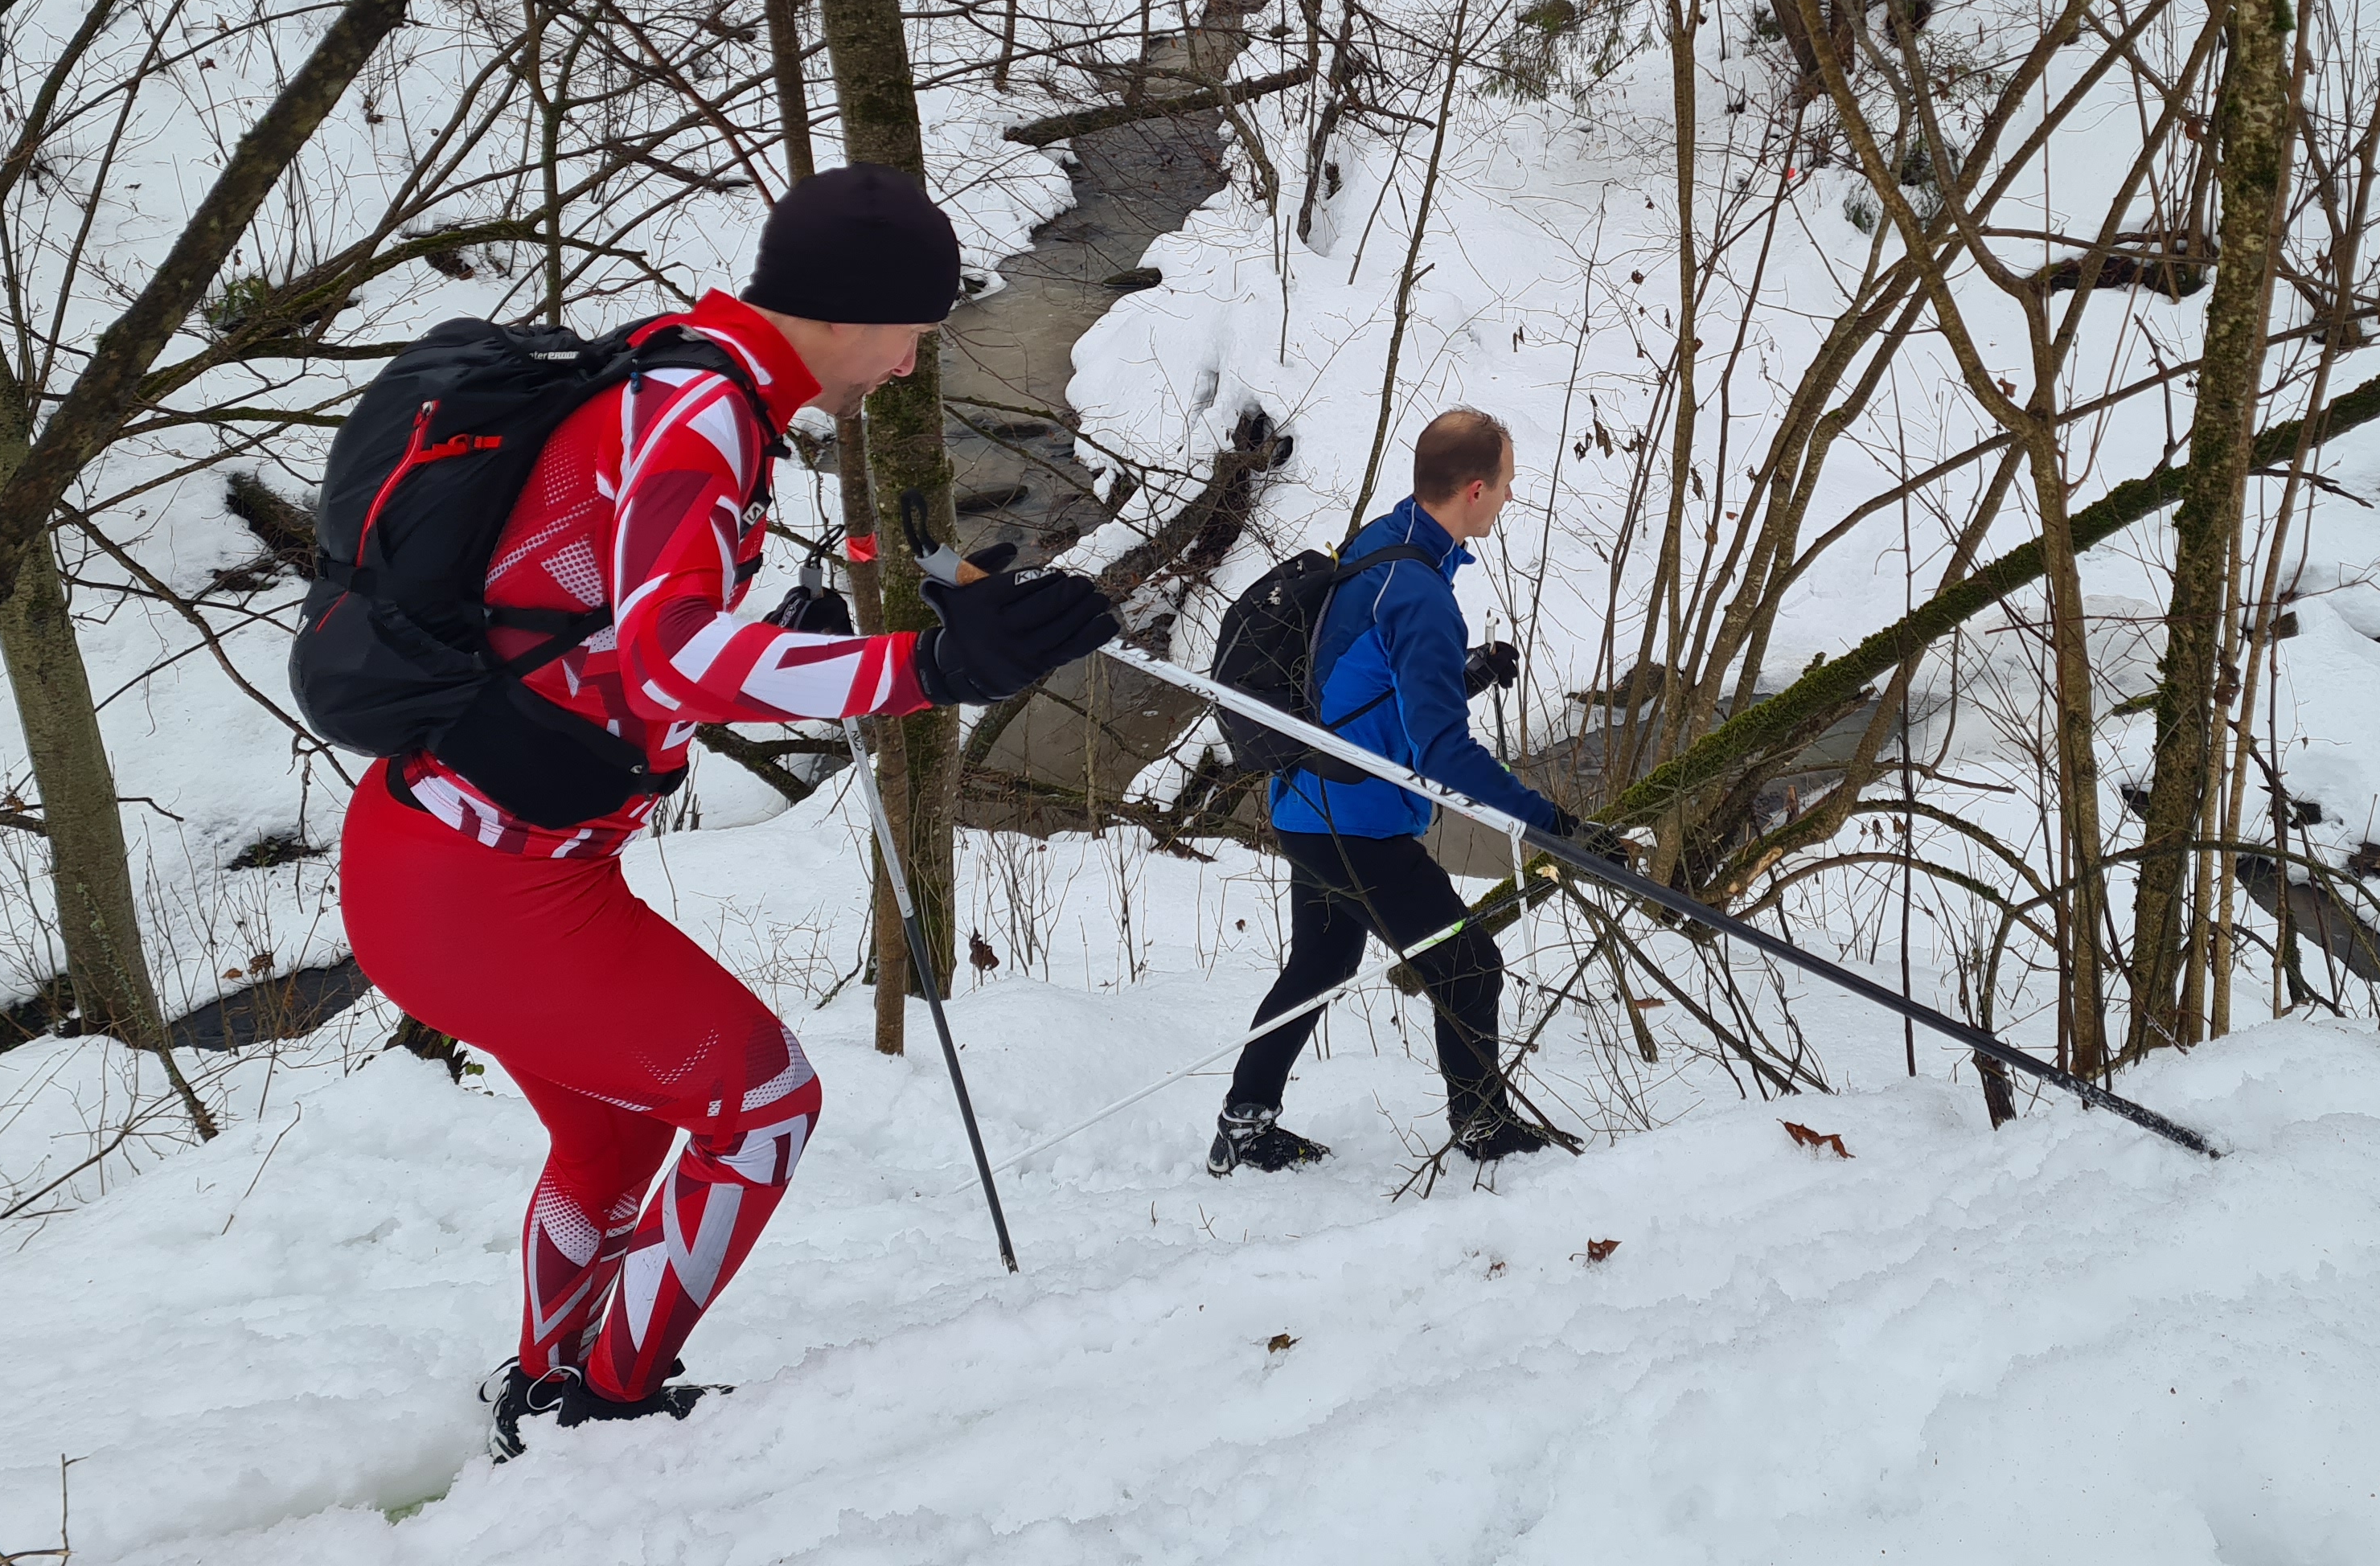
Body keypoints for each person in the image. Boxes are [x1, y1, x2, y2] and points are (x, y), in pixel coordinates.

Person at [334, 165, 1117, 1459]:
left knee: (614, 1134)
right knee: (764, 1106)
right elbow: (669, 661)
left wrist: (823, 629)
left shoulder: (679, 372)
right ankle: (610, 1404)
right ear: (851, 307)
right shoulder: (706, 413)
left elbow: (600, 622)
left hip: (445, 853)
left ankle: (548, 1385)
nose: (911, 363)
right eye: (913, 330)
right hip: (490, 886)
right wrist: (927, 669)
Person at [1208, 408, 1616, 1174]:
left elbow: (1360, 679)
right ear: (1474, 489)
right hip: (1356, 826)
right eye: (1506, 483)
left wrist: (1463, 676)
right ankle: (1484, 1132)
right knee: (1470, 970)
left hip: (1305, 800)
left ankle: (1244, 1126)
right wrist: (1553, 824)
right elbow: (1444, 753)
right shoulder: (1423, 597)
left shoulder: (1383, 542)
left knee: (1321, 965)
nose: (1509, 495)